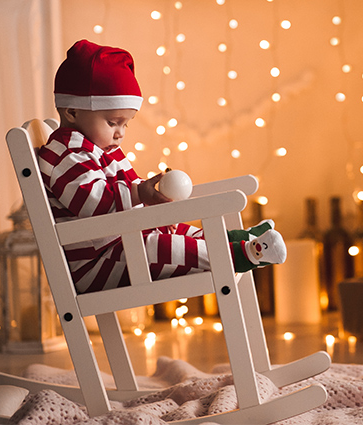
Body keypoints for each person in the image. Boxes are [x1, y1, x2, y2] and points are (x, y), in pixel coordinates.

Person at [38, 39, 286, 293]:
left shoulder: (100, 149)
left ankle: (235, 240)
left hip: (120, 244)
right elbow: (93, 203)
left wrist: (152, 207)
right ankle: (242, 254)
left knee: (175, 232)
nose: (120, 133)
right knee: (159, 247)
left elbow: (130, 188)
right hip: (95, 264)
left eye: (126, 124)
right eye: (113, 122)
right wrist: (139, 194)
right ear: (72, 111)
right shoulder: (67, 152)